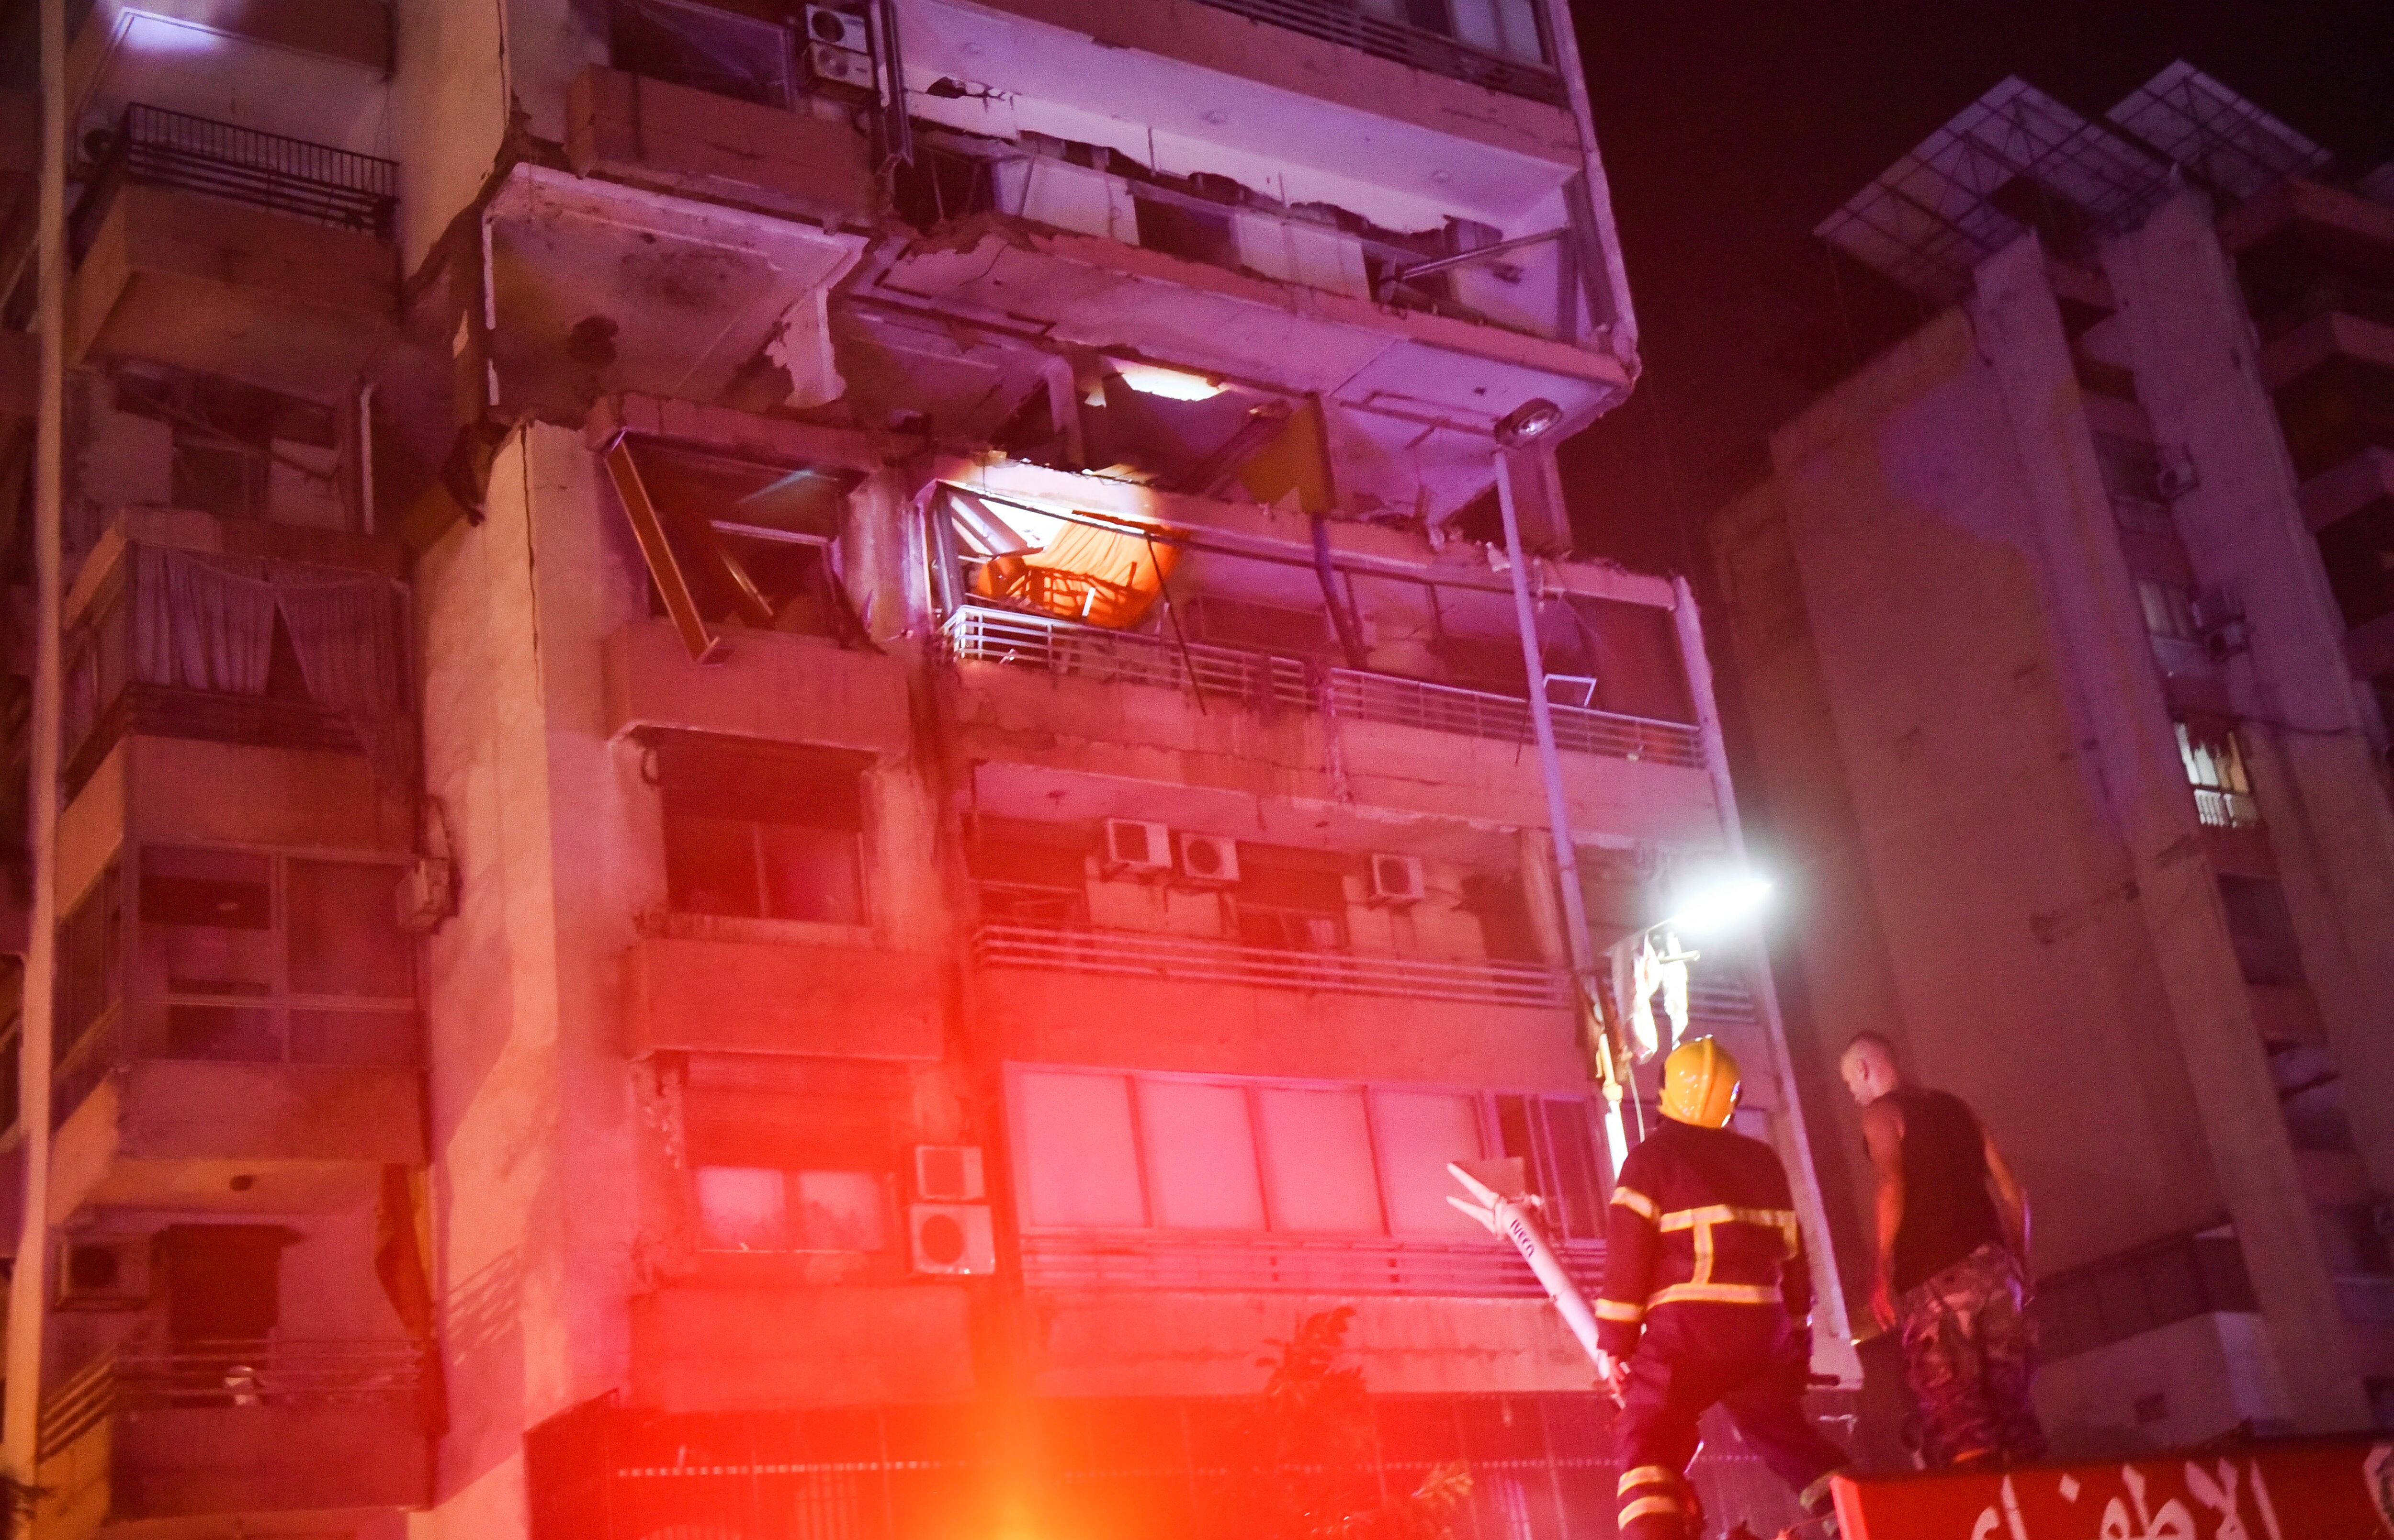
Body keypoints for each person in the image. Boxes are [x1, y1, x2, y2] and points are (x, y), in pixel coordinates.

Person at [1599, 1037, 1848, 1540]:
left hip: (1685, 1337)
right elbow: (1794, 1261)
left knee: (1646, 1433)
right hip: (1762, 1334)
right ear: (1730, 1099)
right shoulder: (1763, 1163)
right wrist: (1796, 1345)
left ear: (1667, 1093)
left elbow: (1627, 1260)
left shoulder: (1650, 1160)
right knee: (1783, 1432)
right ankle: (1857, 1516)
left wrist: (1614, 1345)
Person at [1838, 1031, 2043, 1468]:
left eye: (1849, 1082)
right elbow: (2012, 1190)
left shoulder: (1882, 1113)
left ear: (1864, 1068)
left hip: (1936, 1279)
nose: (1852, 1093)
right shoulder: (1956, 1108)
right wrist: (2017, 1263)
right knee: (2014, 1414)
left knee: (1959, 1416)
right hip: (1998, 1272)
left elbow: (1892, 1183)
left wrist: (1879, 1268)